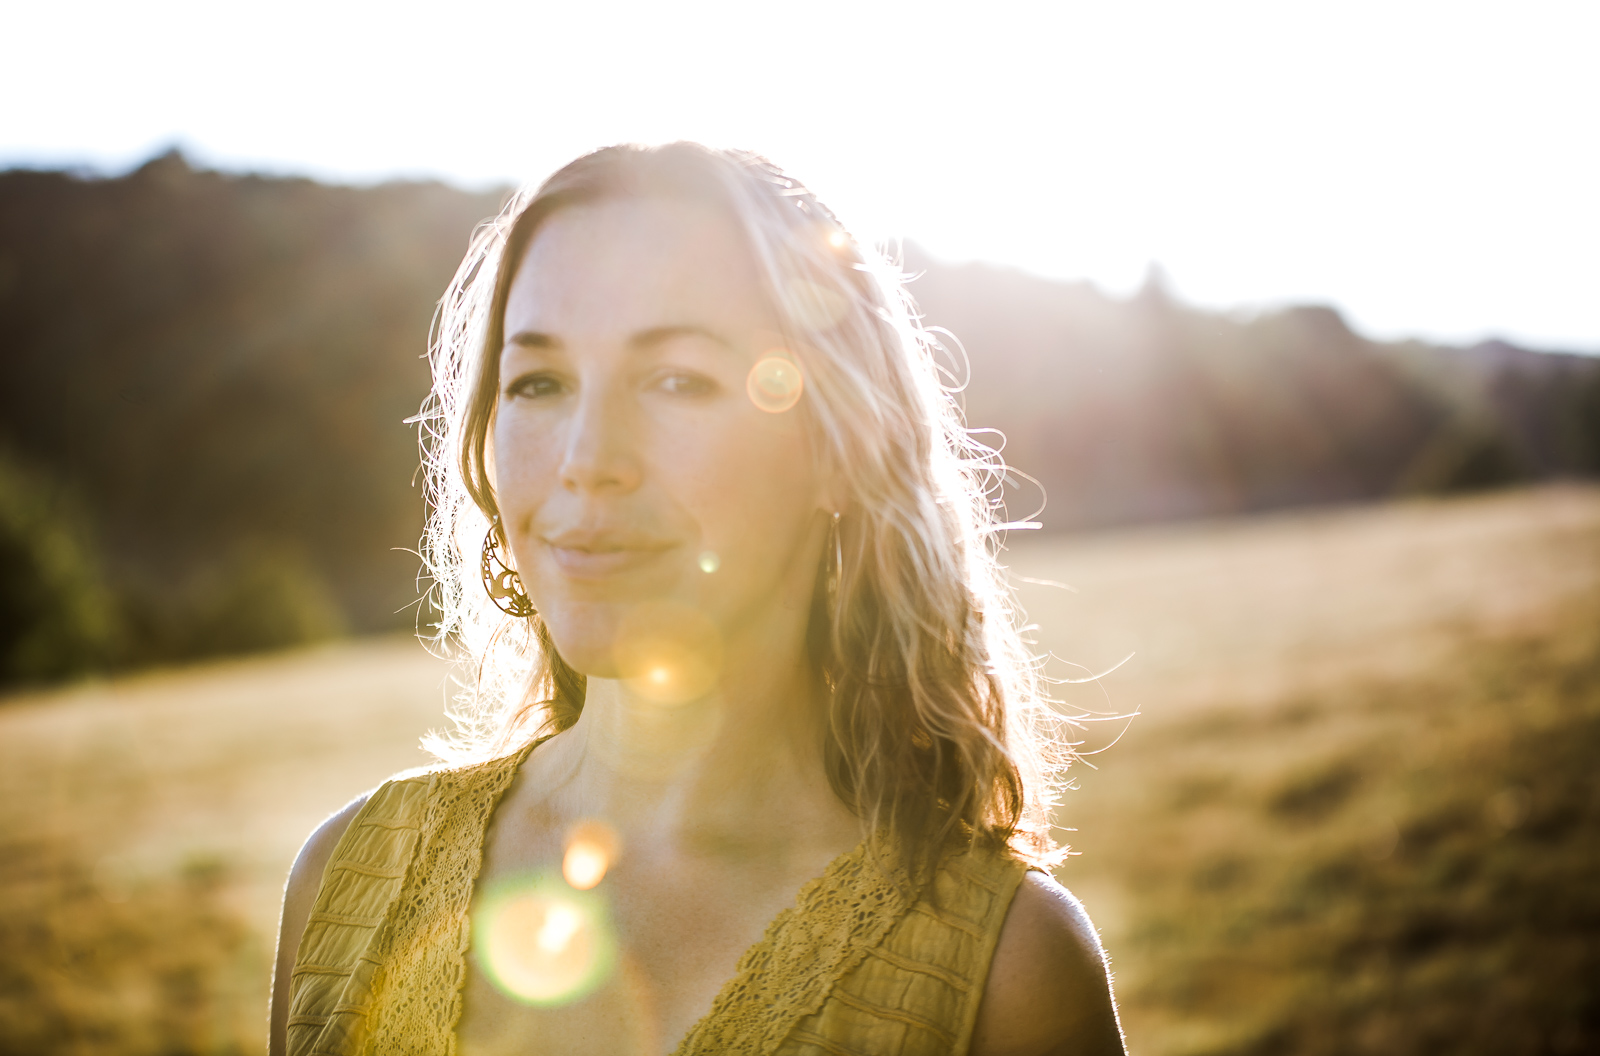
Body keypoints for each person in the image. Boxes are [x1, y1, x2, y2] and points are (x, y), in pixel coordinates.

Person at [269, 142, 1126, 1056]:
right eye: (540, 382)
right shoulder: (348, 880)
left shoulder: (1006, 972)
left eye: (678, 379)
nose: (587, 458)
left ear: (840, 448)